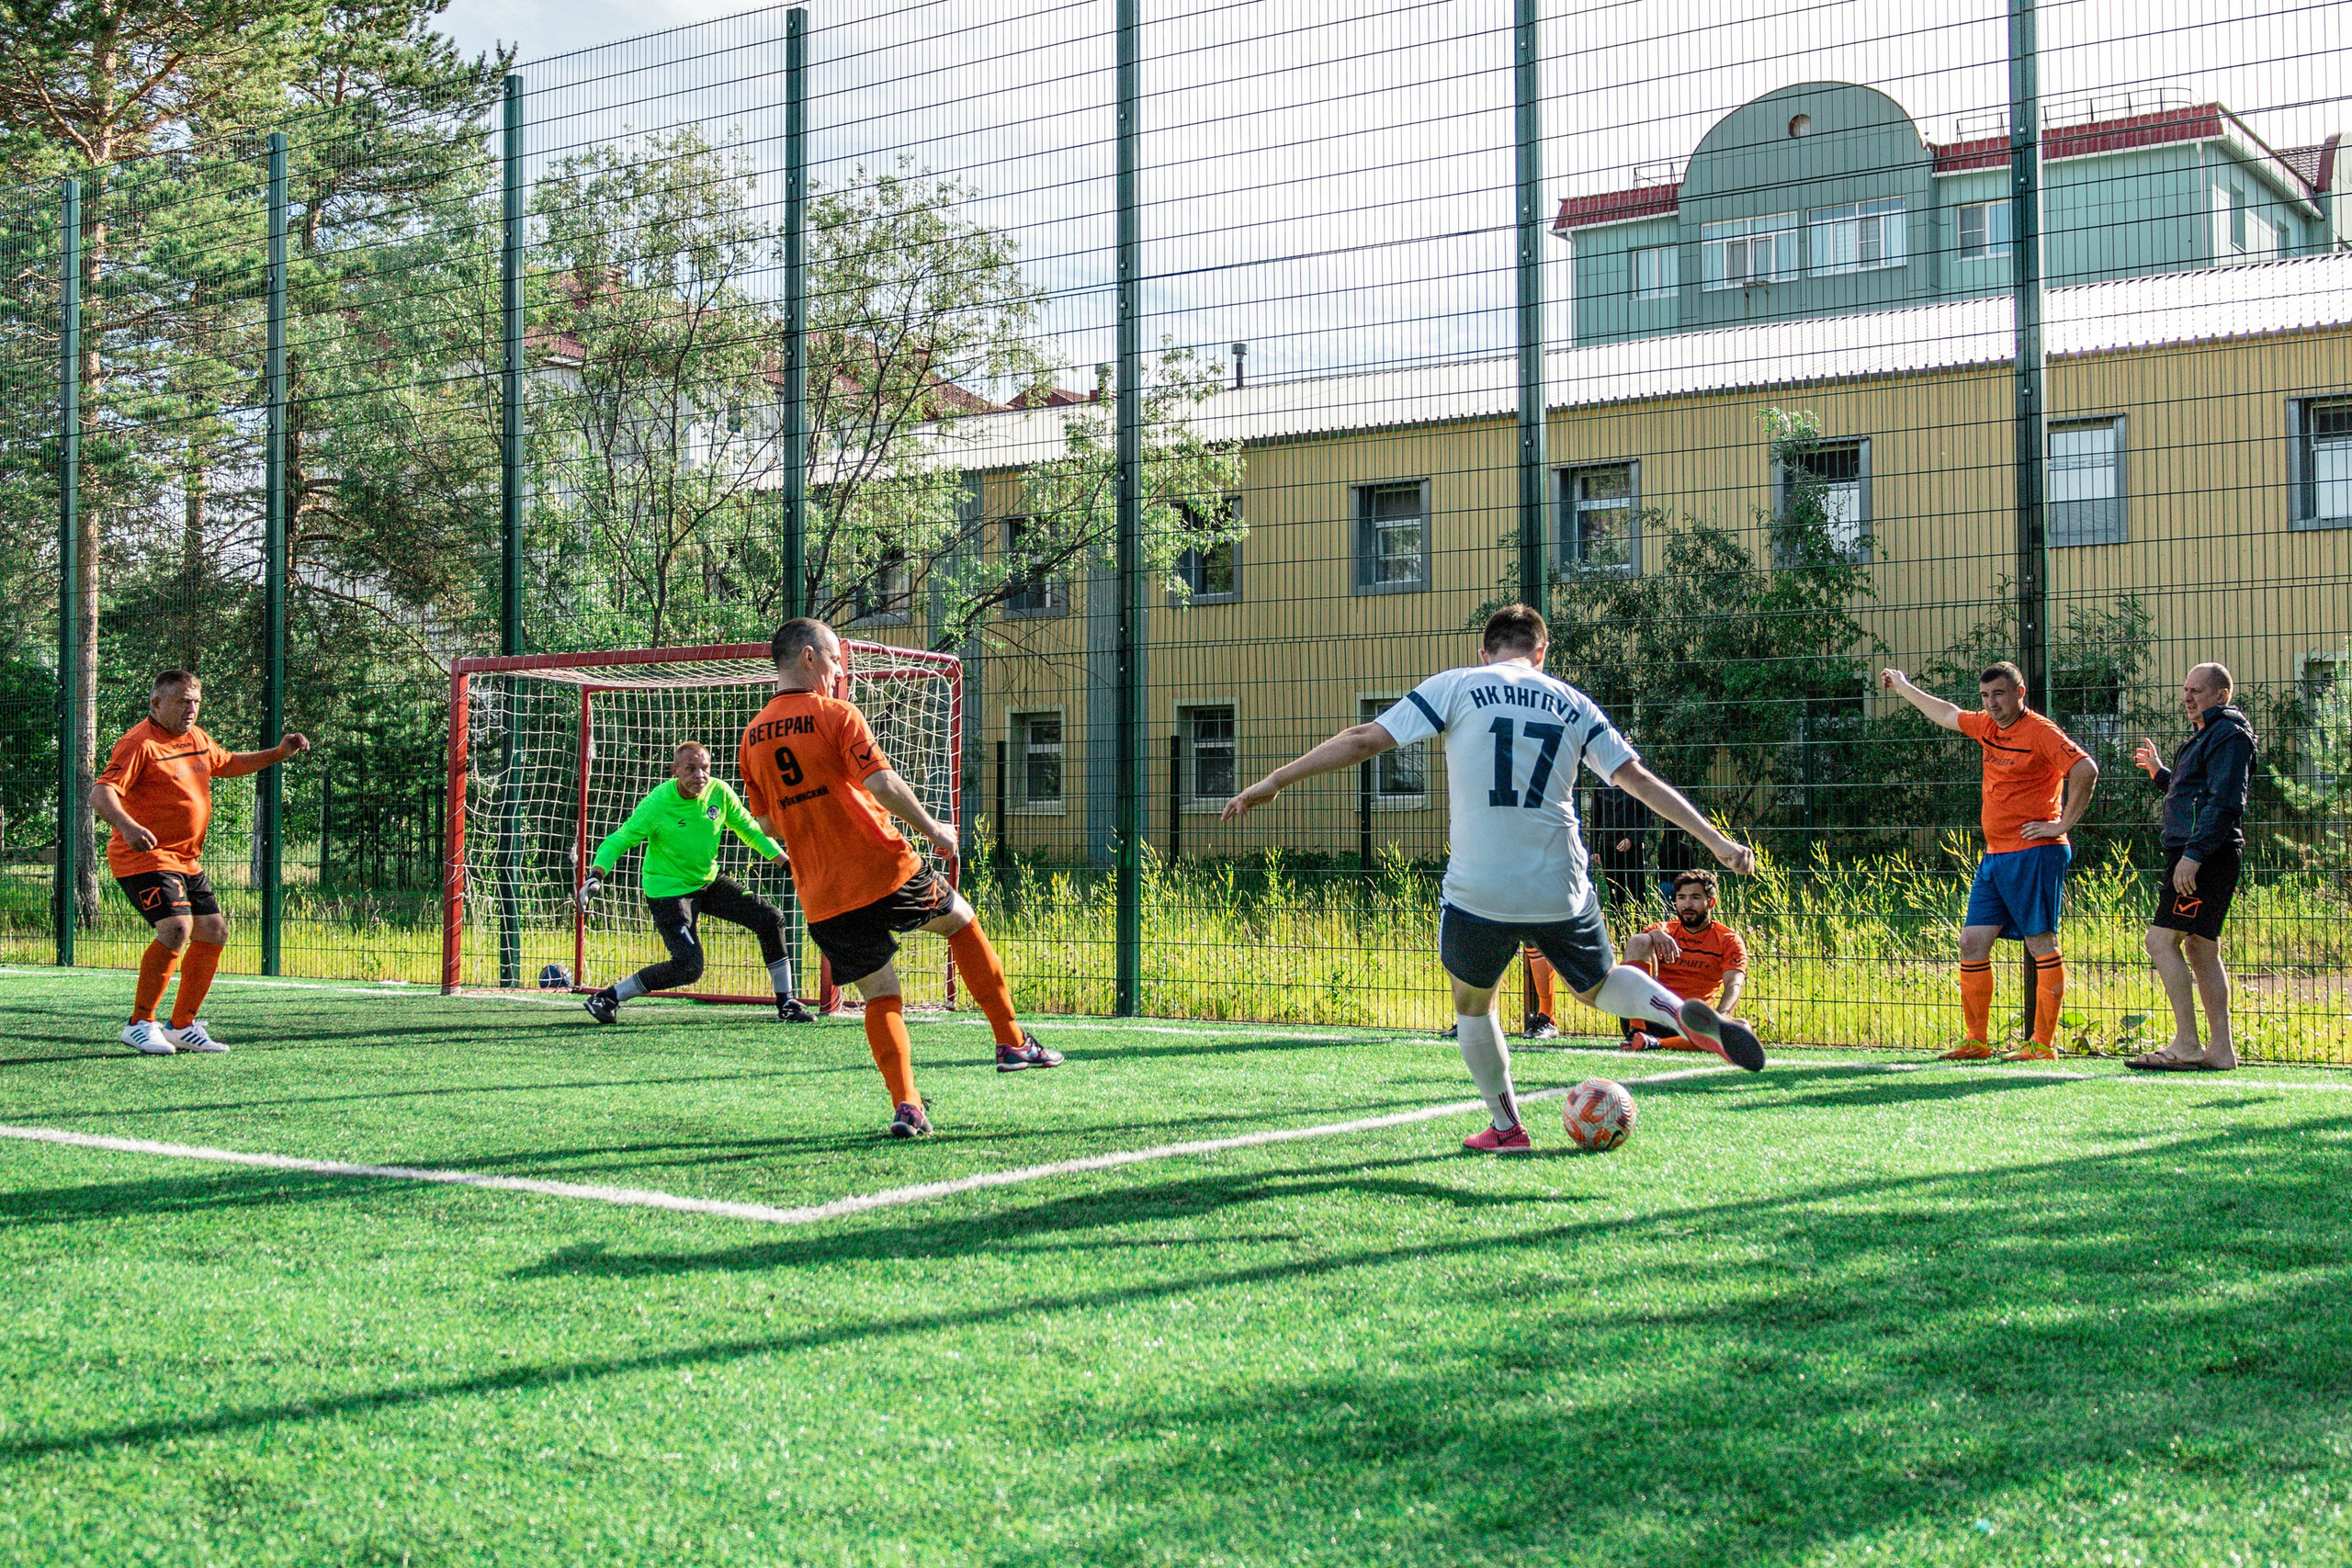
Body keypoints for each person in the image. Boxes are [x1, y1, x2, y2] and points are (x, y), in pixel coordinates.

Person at [1222, 605, 1764, 1155]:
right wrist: (1717, 842)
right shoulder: (1574, 702)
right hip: (1559, 883)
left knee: (1474, 1004)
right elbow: (1636, 780)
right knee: (1599, 985)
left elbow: (1365, 739)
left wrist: (1274, 781)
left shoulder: (1457, 686)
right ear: (1541, 654)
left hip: (1480, 887)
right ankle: (1679, 1013)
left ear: (1485, 653)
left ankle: (1507, 1128)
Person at [740, 619, 1060, 1139]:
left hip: (821, 895)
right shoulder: (835, 714)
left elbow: (769, 823)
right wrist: (935, 830)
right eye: (835, 658)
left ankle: (907, 1104)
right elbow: (883, 783)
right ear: (808, 658)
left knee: (881, 992)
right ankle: (1011, 1040)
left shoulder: (751, 738)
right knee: (960, 920)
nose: (840, 669)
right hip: (882, 867)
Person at [1882, 661, 2098, 1061]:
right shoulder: (1986, 725)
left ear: (2019, 693)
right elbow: (1947, 713)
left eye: (1999, 695)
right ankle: (1976, 1041)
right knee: (1972, 942)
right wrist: (1905, 687)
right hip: (1996, 855)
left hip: (2035, 852)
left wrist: (2061, 824)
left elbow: (2085, 768)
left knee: (2040, 942)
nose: (1991, 704)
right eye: (1985, 696)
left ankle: (2042, 1045)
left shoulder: (2041, 731)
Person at [88, 669, 309, 1055]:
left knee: (214, 932)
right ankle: (140, 1023)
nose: (191, 709)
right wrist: (127, 826)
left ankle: (182, 1025)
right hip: (144, 857)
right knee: (176, 928)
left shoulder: (197, 737)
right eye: (182, 702)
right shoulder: (138, 743)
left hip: (186, 859)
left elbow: (228, 763)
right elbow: (101, 792)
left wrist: (278, 753)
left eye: (196, 702)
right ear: (156, 704)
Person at [578, 742, 816, 1026]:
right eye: (690, 769)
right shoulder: (658, 803)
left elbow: (751, 831)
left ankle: (786, 1002)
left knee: (770, 917)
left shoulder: (720, 792)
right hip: (668, 891)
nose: (699, 775)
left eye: (704, 768)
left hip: (708, 881)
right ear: (675, 771)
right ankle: (607, 998)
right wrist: (596, 874)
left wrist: (788, 864)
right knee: (689, 967)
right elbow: (620, 838)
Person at [2127, 662, 2256, 1072]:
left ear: (2222, 695)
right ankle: (2220, 1051)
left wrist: (2194, 856)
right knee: (2201, 948)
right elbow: (2196, 792)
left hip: (2204, 857)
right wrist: (2162, 774)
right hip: (2202, 853)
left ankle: (2186, 1044)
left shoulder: (2229, 735)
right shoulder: (2209, 734)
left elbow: (2225, 802)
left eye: (2197, 690)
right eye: (2185, 689)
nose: (2188, 696)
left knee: (2160, 941)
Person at [1621, 870, 1749, 1052]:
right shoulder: (1663, 929)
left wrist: (1721, 1016)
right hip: (1650, 1015)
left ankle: (1654, 1043)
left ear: (1711, 902)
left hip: (1692, 1021)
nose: (1687, 904)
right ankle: (1636, 1030)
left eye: (1695, 897)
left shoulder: (1728, 940)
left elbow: (1734, 984)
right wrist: (1654, 934)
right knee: (1639, 940)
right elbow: (1635, 953)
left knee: (1742, 1028)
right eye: (1682, 897)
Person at [1588, 780, 1653, 909]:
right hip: (1608, 846)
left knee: (1638, 890)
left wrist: (1631, 839)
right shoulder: (1599, 786)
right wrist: (1594, 849)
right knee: (1615, 892)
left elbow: (1646, 815)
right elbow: (1596, 818)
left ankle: (1641, 925)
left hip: (1634, 847)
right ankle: (1619, 927)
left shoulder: (1634, 783)